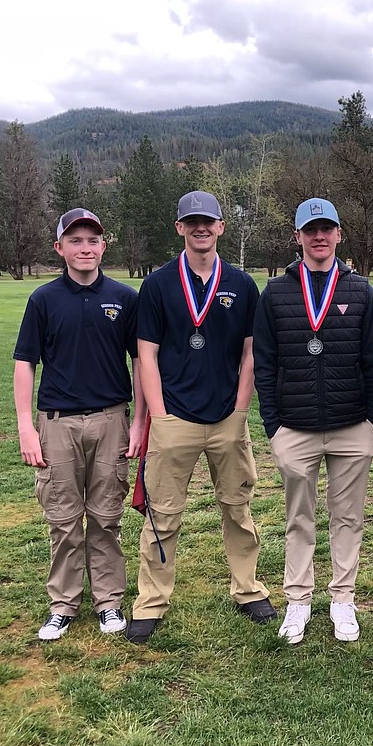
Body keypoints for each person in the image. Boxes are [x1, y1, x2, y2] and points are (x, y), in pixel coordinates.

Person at [126, 190, 274, 644]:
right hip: (175, 419)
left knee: (238, 507)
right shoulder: (157, 285)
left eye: (208, 221)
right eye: (191, 221)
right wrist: (160, 416)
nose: (200, 228)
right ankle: (150, 602)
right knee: (162, 514)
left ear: (221, 226)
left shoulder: (242, 284)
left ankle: (248, 590)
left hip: (227, 418)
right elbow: (145, 356)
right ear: (179, 228)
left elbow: (251, 352)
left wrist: (240, 409)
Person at [253, 198, 373, 644]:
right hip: (295, 427)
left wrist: (371, 421)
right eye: (310, 230)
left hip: (352, 426)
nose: (319, 237)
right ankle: (298, 601)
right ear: (298, 238)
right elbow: (264, 364)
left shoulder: (360, 290)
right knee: (299, 519)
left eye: (326, 228)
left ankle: (343, 600)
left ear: (339, 234)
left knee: (347, 518)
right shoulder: (275, 292)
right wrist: (273, 425)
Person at [13, 208, 144, 641]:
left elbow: (141, 361)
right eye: (75, 240)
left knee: (106, 517)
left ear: (103, 246)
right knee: (64, 520)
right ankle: (64, 605)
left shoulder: (125, 298)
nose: (85, 248)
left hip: (111, 421)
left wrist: (140, 420)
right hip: (57, 424)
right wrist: (26, 428)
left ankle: (109, 602)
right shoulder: (43, 300)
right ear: (60, 249)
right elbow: (25, 364)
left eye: (92, 240)